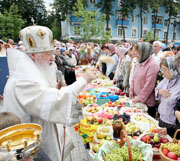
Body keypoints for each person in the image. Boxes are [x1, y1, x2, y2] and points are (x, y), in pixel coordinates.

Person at [3, 25, 97, 161]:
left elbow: (44, 96)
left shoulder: (30, 74)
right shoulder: (22, 82)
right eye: (48, 54)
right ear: (34, 55)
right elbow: (54, 102)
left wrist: (55, 88)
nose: (52, 58)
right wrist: (84, 80)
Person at [129, 42, 159, 118]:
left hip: (147, 103)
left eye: (137, 52)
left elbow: (149, 86)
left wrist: (139, 98)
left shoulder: (152, 65)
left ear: (144, 53)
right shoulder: (139, 61)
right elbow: (133, 77)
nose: (135, 54)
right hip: (136, 100)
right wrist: (131, 90)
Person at [156, 57, 180, 138]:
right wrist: (160, 92)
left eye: (165, 69)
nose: (163, 73)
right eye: (161, 69)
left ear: (172, 69)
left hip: (172, 124)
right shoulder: (165, 80)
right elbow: (157, 90)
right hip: (162, 119)